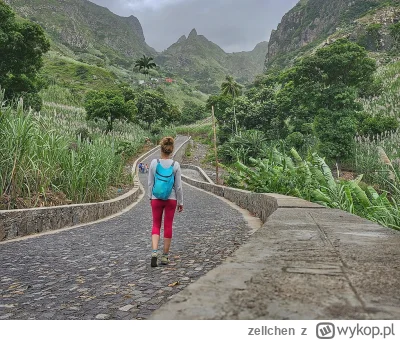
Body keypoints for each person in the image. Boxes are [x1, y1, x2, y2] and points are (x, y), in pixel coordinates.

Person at [148, 137, 183, 267]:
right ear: (172, 150)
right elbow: (178, 186)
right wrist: (180, 202)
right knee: (168, 225)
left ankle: (154, 252)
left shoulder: (153, 163)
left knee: (156, 224)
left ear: (160, 148)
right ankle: (165, 257)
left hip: (156, 198)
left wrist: (150, 197)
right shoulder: (175, 165)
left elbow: (150, 183)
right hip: (171, 199)